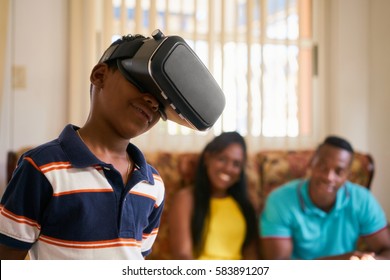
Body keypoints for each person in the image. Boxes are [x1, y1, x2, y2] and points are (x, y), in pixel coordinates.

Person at [0, 32, 222, 260]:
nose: (153, 102)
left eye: (161, 102)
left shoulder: (153, 184)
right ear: (99, 76)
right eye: (141, 83)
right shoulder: (41, 167)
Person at [260, 135, 390, 260]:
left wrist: (369, 263)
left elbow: (386, 250)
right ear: (311, 164)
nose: (329, 177)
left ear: (348, 175)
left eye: (339, 172)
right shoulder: (280, 200)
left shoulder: (362, 200)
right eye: (322, 167)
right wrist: (339, 263)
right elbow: (278, 266)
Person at [168, 132, 259, 260]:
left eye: (236, 164)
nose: (228, 168)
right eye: (222, 159)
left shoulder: (245, 205)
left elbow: (251, 256)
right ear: (207, 158)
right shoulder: (186, 198)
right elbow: (183, 256)